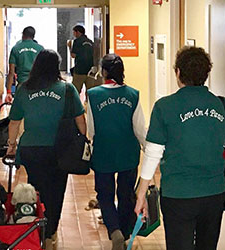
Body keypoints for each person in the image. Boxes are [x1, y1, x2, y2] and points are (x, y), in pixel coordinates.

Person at [135, 46, 225, 250]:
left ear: (178, 72)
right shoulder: (223, 105)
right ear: (206, 74)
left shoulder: (165, 106)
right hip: (214, 194)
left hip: (178, 196)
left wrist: (141, 193)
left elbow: (153, 154)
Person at [6, 49, 86, 250]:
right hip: (61, 149)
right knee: (57, 191)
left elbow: (14, 122)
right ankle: (50, 232)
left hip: (32, 149)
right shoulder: (67, 90)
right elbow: (80, 120)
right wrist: (84, 141)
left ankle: (37, 227)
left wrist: (11, 145)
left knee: (37, 188)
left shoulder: (24, 89)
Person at [87, 54, 146, 250]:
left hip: (104, 152)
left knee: (104, 194)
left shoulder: (93, 95)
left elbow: (91, 129)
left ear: (103, 72)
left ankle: (115, 231)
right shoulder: (133, 94)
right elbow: (139, 129)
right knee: (125, 193)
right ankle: (126, 233)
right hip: (128, 153)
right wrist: (149, 150)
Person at [5, 26, 44, 102]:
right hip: (37, 85)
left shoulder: (15, 48)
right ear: (33, 36)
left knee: (21, 111)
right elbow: (44, 69)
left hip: (22, 86)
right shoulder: (40, 49)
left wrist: (9, 92)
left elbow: (11, 72)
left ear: (23, 35)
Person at [67, 25, 94, 94]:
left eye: (74, 32)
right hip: (90, 70)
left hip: (79, 70)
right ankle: (87, 104)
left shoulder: (77, 41)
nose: (73, 34)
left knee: (75, 91)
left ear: (78, 32)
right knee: (90, 92)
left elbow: (73, 55)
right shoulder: (91, 42)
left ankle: (76, 105)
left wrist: (70, 47)